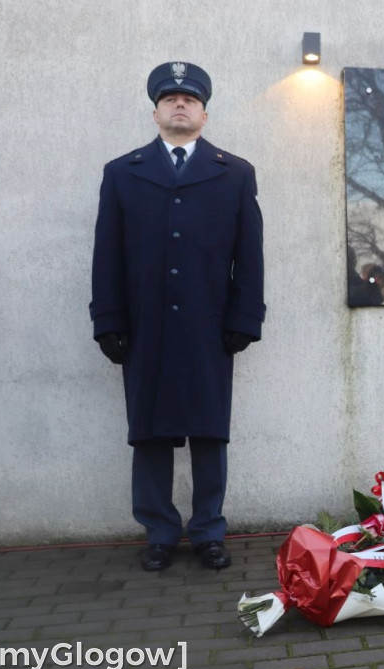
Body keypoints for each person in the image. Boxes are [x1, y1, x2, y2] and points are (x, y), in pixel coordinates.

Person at [90, 62, 265, 571]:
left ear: (205, 114)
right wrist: (109, 320)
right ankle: (160, 531)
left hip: (209, 326)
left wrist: (245, 316)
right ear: (156, 112)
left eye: (189, 100)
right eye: (170, 99)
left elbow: (248, 254)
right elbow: (107, 254)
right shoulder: (123, 173)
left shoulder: (234, 173)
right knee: (149, 432)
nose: (179, 105)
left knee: (210, 431)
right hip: (145, 326)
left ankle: (209, 530)